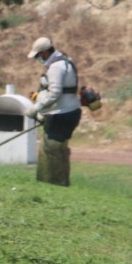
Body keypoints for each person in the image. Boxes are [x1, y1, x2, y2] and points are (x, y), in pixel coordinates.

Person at [24, 36, 81, 186]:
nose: (37, 59)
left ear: (44, 52)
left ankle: (53, 184)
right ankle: (57, 182)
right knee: (57, 150)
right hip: (66, 111)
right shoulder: (65, 60)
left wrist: (36, 108)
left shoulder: (56, 67)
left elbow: (54, 93)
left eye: (38, 56)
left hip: (62, 114)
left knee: (52, 150)